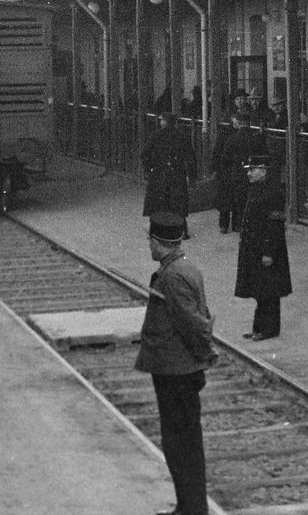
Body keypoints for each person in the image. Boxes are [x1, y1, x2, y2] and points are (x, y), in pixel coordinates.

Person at [135, 212, 217, 515]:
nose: (149, 246)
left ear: (161, 243)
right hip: (178, 370)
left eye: (151, 241)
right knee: (185, 442)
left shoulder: (172, 277)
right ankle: (189, 506)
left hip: (176, 372)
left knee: (179, 444)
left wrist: (204, 356)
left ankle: (192, 509)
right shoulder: (185, 268)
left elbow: (193, 324)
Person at [235, 158, 292, 340]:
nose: (249, 173)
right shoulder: (257, 190)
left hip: (267, 250)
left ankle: (268, 329)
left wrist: (269, 252)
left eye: (253, 170)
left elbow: (274, 225)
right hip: (255, 248)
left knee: (269, 291)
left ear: (264, 171)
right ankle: (259, 328)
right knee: (261, 289)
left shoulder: (273, 193)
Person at [141, 112, 194, 239]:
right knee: (177, 203)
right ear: (175, 123)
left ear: (164, 121)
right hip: (177, 172)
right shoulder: (182, 136)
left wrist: (149, 169)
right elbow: (191, 157)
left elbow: (144, 153)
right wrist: (191, 175)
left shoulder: (156, 135)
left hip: (159, 172)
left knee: (158, 203)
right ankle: (182, 231)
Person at [212, 112, 257, 234]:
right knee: (236, 198)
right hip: (237, 171)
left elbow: (221, 154)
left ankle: (224, 225)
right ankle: (234, 224)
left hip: (229, 170)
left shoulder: (228, 135)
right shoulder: (252, 137)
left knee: (227, 199)